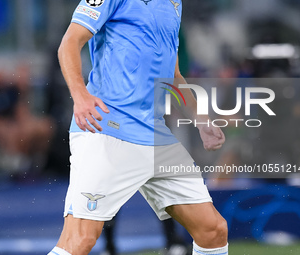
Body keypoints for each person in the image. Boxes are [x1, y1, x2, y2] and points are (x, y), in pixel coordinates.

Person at [48, 1, 228, 255]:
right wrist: (80, 95)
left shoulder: (174, 3)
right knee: (80, 240)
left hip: (155, 136)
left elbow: (173, 74)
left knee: (213, 230)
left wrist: (200, 119)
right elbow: (70, 42)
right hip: (108, 129)